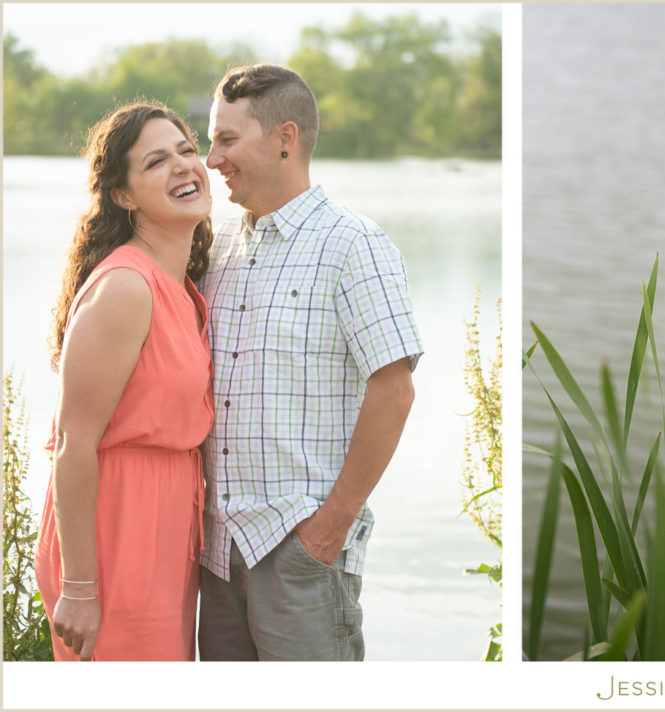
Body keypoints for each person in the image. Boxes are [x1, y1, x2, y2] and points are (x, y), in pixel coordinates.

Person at [198, 63, 423, 661]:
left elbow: (394, 391)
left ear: (285, 139)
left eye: (226, 139)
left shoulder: (354, 245)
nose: (211, 157)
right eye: (211, 139)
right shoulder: (215, 243)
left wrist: (329, 528)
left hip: (300, 555)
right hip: (216, 556)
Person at [34, 102, 215, 661]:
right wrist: (81, 587)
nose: (184, 166)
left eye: (187, 150)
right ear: (123, 195)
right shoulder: (125, 288)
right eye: (157, 161)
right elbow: (73, 444)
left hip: (165, 533)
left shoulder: (181, 284)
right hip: (114, 532)